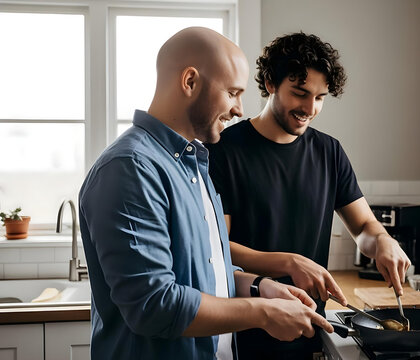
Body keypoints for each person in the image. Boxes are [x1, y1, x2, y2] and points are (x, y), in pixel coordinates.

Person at [79, 27, 333, 360]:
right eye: (232, 93)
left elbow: (206, 268)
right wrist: (263, 312)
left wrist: (259, 286)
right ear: (190, 82)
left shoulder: (193, 164)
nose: (240, 109)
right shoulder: (131, 168)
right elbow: (153, 305)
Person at [206, 32, 411, 359]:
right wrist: (290, 261)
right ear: (271, 83)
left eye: (320, 97)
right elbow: (216, 248)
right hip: (247, 327)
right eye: (300, 93)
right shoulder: (224, 151)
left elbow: (364, 228)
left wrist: (383, 242)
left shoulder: (329, 151)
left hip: (311, 327)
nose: (309, 108)